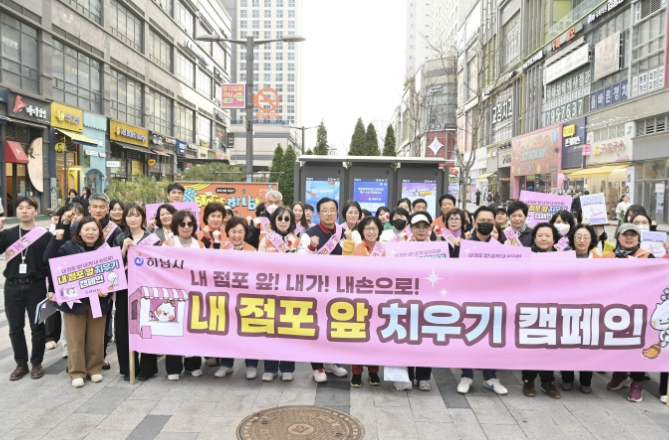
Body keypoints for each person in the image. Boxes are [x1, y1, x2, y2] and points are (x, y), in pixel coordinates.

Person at [45, 216, 111, 388]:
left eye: (94, 229)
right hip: (73, 302)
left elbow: (113, 275)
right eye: (86, 229)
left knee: (96, 338)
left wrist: (108, 289)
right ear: (79, 232)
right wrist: (56, 240)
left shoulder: (105, 249)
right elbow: (50, 262)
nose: (90, 233)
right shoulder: (68, 247)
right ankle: (77, 372)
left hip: (98, 301)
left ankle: (94, 369)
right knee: (75, 339)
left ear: (99, 232)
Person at [457, 206, 508, 395]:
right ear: (474, 222)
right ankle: (466, 375)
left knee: (492, 338)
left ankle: (490, 377)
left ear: (494, 223)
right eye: (482, 220)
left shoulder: (501, 247)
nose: (486, 224)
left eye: (489, 221)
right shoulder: (465, 245)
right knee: (468, 336)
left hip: (494, 299)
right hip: (469, 298)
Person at [0, 196, 52, 380]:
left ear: (35, 211)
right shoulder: (8, 234)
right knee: (15, 328)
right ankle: (21, 364)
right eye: (20, 207)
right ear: (16, 211)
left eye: (28, 207)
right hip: (12, 286)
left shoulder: (45, 235)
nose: (24, 211)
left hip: (36, 285)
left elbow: (52, 262)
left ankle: (36, 363)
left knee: (37, 326)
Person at [297, 197, 349, 382]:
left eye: (332, 210)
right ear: (318, 214)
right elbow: (299, 260)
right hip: (316, 288)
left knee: (334, 326)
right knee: (316, 327)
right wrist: (311, 246)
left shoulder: (344, 233)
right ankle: (317, 366)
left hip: (338, 288)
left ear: (337, 213)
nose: (329, 213)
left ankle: (332, 361)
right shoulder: (308, 234)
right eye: (325, 210)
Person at [601, 223, 653, 402]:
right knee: (616, 342)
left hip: (640, 310)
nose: (629, 238)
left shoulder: (647, 257)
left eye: (633, 235)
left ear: (639, 238)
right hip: (615, 309)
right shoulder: (608, 257)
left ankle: (637, 382)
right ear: (618, 237)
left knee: (638, 344)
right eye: (625, 234)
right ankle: (620, 373)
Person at [252, 207, 300, 382]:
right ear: (274, 221)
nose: (283, 221)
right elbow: (258, 264)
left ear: (291, 222)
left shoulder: (297, 241)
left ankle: (287, 368)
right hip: (270, 291)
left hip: (290, 293)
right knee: (270, 331)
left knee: (288, 331)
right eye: (279, 218)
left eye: (287, 219)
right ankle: (270, 368)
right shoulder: (266, 240)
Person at [113, 203, 159, 381]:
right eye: (129, 215)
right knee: (123, 327)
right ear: (125, 218)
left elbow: (158, 265)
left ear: (143, 217)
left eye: (136, 215)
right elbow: (112, 267)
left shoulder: (152, 238)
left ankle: (148, 367)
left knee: (146, 326)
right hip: (125, 289)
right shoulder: (119, 237)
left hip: (146, 288)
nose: (133, 219)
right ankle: (128, 368)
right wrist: (124, 250)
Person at [342, 216, 384, 388]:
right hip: (358, 299)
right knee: (358, 336)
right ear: (362, 231)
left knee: (375, 336)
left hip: (379, 300)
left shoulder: (385, 250)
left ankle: (374, 370)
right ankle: (356, 371)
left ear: (379, 231)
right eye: (367, 228)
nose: (371, 232)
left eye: (374, 228)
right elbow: (345, 268)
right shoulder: (356, 248)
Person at [162, 210, 203, 381]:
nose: (186, 227)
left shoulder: (200, 244)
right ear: (176, 226)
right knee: (173, 329)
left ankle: (193, 365)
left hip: (195, 293)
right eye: (183, 224)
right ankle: (173, 367)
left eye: (190, 224)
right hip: (173, 293)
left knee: (193, 328)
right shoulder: (167, 244)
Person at [522, 222, 561, 399]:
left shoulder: (562, 258)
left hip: (553, 308)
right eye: (540, 235)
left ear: (554, 239)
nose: (544, 239)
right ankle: (528, 380)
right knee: (530, 344)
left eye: (547, 236)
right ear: (534, 238)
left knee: (549, 345)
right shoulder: (525, 256)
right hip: (529, 306)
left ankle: (547, 381)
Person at [87, 193, 124, 370]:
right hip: (83, 284)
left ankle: (99, 357)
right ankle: (80, 359)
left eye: (102, 207)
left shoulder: (115, 231)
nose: (98, 210)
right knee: (81, 323)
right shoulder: (80, 226)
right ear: (89, 208)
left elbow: (118, 260)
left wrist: (108, 286)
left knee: (103, 322)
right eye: (95, 206)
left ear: (107, 209)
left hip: (104, 287)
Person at [405, 211, 436, 391]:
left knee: (426, 340)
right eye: (418, 227)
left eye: (425, 227)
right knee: (408, 339)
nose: (421, 230)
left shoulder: (437, 250)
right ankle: (408, 375)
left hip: (430, 301)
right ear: (411, 228)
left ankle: (424, 377)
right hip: (408, 301)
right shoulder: (401, 249)